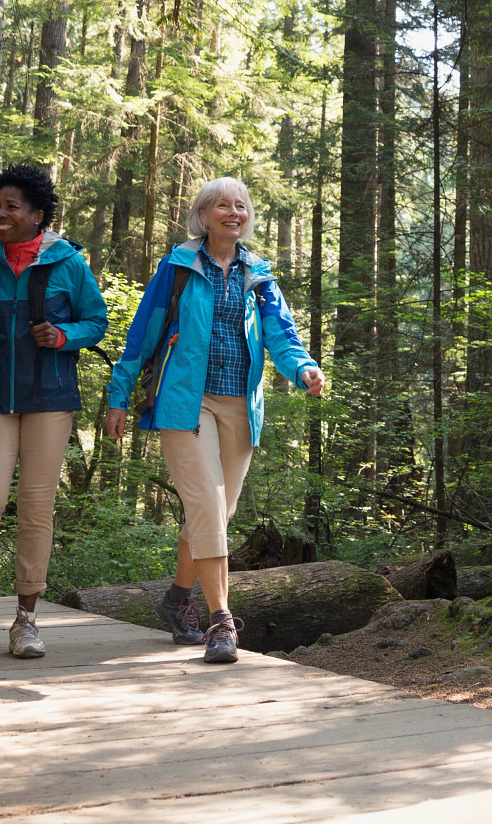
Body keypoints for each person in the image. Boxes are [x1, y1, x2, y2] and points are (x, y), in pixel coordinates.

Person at [105, 177, 326, 664]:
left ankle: (176, 597)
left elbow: (281, 335)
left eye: (241, 205)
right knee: (206, 506)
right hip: (186, 404)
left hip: (240, 408)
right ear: (203, 216)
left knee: (215, 516)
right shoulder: (178, 268)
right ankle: (221, 622)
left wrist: (304, 366)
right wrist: (118, 397)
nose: (233, 212)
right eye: (222, 205)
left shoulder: (258, 275)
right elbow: (142, 335)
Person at [0, 164, 108, 658]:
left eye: (10, 206)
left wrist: (65, 336)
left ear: (37, 216)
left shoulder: (69, 264)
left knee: (37, 509)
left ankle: (26, 619)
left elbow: (97, 322)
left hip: (51, 399)